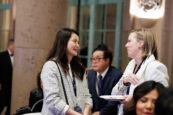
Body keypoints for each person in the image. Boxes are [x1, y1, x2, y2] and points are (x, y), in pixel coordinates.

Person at [111, 28, 169, 115]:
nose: (126, 45)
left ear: (141, 43)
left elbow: (162, 99)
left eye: (129, 41)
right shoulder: (131, 64)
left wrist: (134, 98)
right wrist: (124, 81)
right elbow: (114, 93)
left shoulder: (155, 67)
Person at [41, 28, 92, 115]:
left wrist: (86, 111)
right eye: (74, 41)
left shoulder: (79, 67)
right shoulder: (51, 66)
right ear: (63, 43)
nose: (78, 45)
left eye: (78, 42)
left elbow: (87, 95)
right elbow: (52, 100)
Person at [88, 44, 123, 115]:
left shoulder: (117, 75)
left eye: (98, 59)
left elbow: (115, 100)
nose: (94, 61)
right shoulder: (90, 74)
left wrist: (101, 113)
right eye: (93, 59)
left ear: (107, 60)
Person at [0, 39, 14, 115]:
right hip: (3, 87)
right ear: (10, 46)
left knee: (10, 108)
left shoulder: (17, 57)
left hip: (12, 88)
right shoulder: (2, 55)